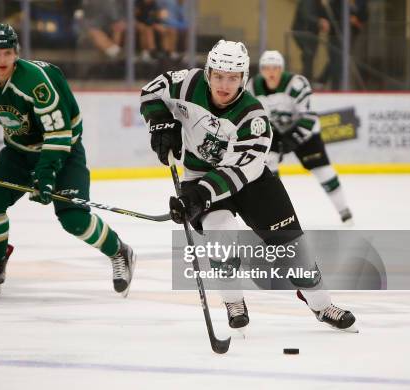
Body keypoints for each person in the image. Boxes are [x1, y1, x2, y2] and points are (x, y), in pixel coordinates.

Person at [140, 39, 357, 333]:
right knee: (221, 233)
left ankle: (320, 304)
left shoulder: (253, 116)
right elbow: (152, 90)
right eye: (218, 76)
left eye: (233, 78)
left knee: (296, 253)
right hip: (199, 176)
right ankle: (233, 300)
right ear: (208, 73)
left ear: (243, 78)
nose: (224, 84)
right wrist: (160, 120)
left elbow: (238, 172)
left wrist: (197, 197)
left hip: (249, 181)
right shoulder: (188, 83)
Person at [0, 23, 136, 299]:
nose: (1, 60)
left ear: (16, 53)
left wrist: (47, 173)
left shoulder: (36, 81)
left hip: (63, 151)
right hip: (19, 152)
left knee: (73, 219)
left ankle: (119, 251)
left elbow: (59, 133)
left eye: (7, 53)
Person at [247, 50, 353, 224]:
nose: (271, 72)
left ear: (281, 69)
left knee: (323, 172)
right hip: (274, 133)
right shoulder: (252, 87)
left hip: (305, 133)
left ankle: (344, 211)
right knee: (266, 169)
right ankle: (274, 212)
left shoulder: (297, 84)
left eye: (275, 68)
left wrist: (290, 141)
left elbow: (309, 118)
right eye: (266, 68)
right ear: (261, 70)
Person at [291, 0, 329, 81]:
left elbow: (324, 15)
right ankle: (306, 80)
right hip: (302, 32)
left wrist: (325, 7)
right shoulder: (307, 2)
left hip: (312, 34)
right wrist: (319, 22)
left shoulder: (318, 3)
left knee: (309, 56)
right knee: (309, 54)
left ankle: (306, 79)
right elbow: (306, 15)